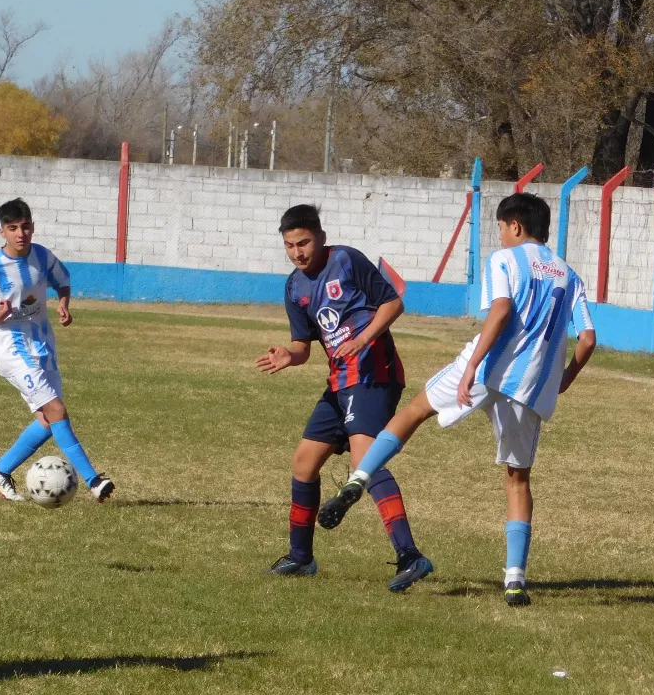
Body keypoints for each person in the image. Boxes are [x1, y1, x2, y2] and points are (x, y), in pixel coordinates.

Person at [317, 192, 596, 607]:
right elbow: (589, 338)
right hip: (531, 386)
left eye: (501, 228)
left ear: (515, 226)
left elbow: (500, 310)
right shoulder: (568, 275)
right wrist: (566, 377)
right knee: (517, 479)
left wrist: (472, 366)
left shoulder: (504, 260)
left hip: (487, 368)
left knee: (415, 410)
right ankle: (515, 579)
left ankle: (359, 479)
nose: (501, 235)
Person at [254, 204, 432, 590]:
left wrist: (364, 338)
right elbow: (303, 345)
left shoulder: (347, 260)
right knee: (304, 462)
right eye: (289, 246)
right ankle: (301, 558)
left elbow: (393, 302)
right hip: (339, 382)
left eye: (303, 242)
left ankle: (410, 556)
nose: (297, 252)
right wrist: (289, 355)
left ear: (320, 236)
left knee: (365, 461)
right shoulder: (294, 287)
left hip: (374, 375)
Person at [0, 198, 114, 502]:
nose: (21, 233)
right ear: (2, 232)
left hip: (43, 346)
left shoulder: (43, 257)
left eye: (26, 226)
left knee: (48, 421)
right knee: (57, 410)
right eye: (13, 228)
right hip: (13, 352)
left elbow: (63, 281)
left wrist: (63, 303)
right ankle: (93, 480)